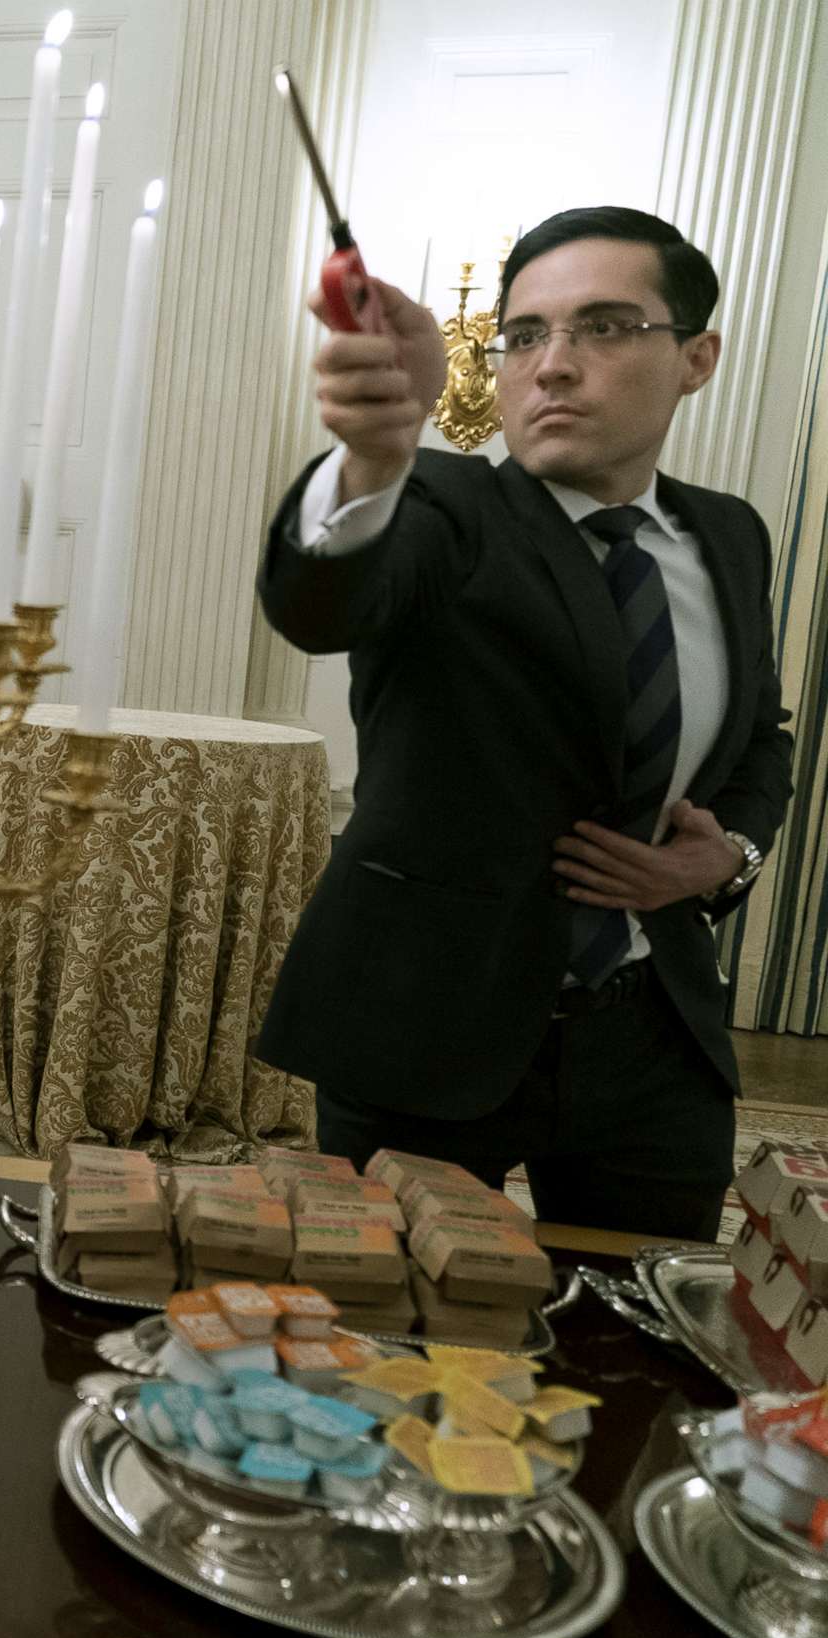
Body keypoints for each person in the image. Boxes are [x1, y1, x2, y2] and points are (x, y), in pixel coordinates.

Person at [256, 207, 794, 1239]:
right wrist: (371, 460)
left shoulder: (729, 534)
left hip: (653, 1040)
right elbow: (320, 606)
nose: (552, 366)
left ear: (696, 357)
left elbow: (760, 740)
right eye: (526, 334)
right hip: (426, 1025)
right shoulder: (444, 510)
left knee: (643, 1339)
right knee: (385, 1342)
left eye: (603, 327)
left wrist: (726, 855)